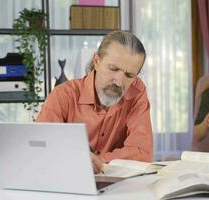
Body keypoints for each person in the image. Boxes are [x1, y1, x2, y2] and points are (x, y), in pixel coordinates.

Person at [37, 31, 153, 173]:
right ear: (96, 62)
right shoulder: (63, 95)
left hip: (117, 187)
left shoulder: (136, 91)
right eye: (113, 69)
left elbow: (142, 152)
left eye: (129, 75)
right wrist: (81, 163)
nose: (119, 81)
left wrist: (97, 161)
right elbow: (43, 149)